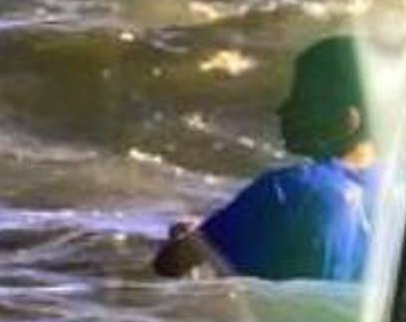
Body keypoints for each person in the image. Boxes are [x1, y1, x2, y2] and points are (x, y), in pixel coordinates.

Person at [153, 35, 380, 281]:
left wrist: (188, 236)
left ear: (347, 121)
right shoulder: (400, 196)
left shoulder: (285, 190)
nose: (283, 109)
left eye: (302, 100)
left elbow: (171, 264)